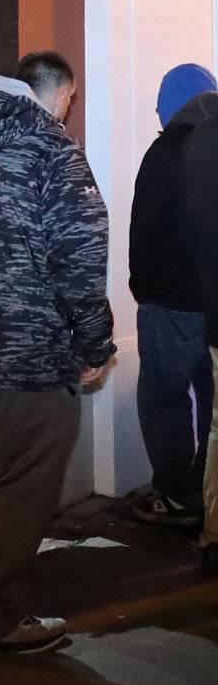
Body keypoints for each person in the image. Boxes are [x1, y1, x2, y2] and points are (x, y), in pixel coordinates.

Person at [0, 51, 115, 656]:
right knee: (19, 487)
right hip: (29, 354)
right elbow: (81, 257)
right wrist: (95, 343)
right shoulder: (51, 150)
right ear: (57, 94)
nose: (70, 112)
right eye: (70, 101)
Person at [129, 63, 218, 529]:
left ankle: (176, 494)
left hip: (169, 303)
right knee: (212, 403)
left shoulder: (165, 152)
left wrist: (140, 288)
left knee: (164, 397)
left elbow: (145, 230)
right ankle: (208, 489)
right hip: (213, 305)